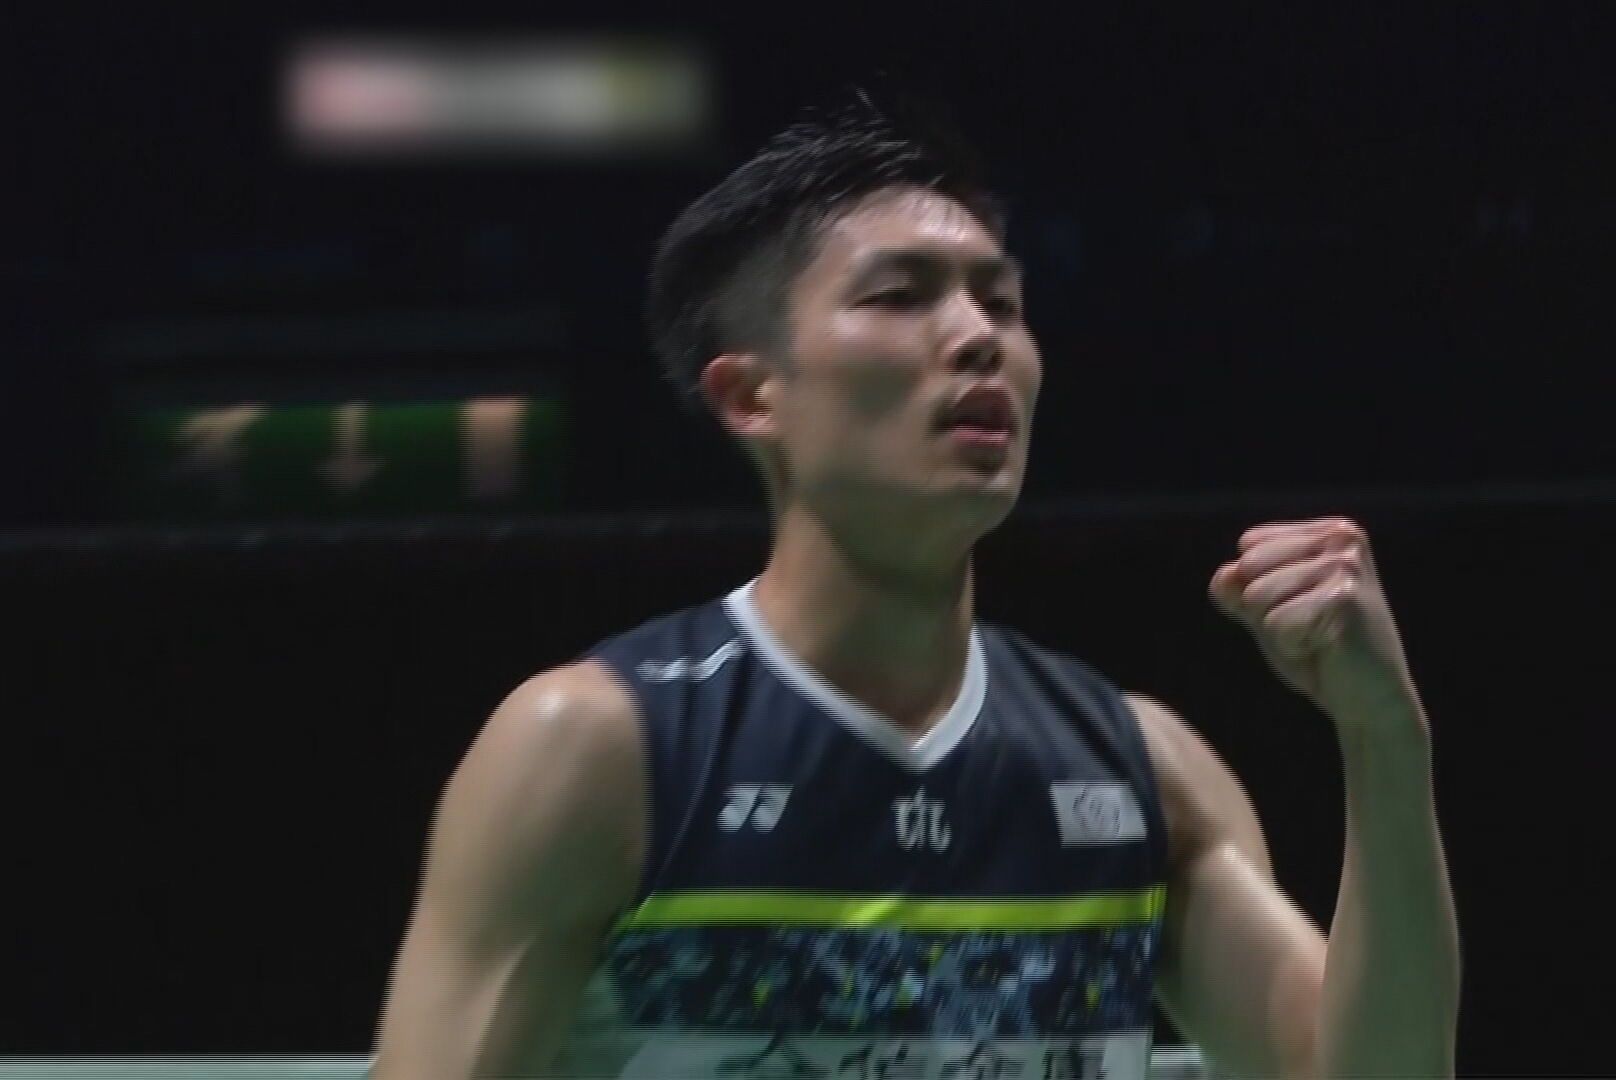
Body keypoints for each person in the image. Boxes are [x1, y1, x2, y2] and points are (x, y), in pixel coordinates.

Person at [370, 92, 1459, 1080]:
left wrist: (1384, 735)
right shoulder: (600, 750)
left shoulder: (1139, 770)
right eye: (900, 296)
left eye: (1003, 302)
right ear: (751, 396)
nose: (978, 336)